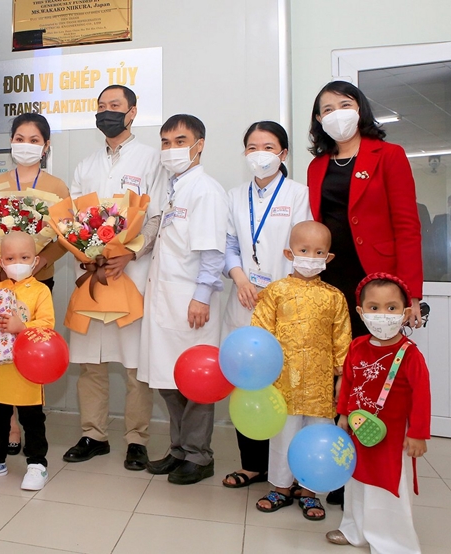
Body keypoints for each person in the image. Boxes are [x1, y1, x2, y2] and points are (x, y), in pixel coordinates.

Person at [307, 80, 424, 507]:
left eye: (345, 104)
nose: (336, 113)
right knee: (338, 373)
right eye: (327, 109)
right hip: (331, 284)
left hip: (377, 286)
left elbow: (407, 226)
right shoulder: (317, 166)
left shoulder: (387, 155)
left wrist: (410, 294)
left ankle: (372, 467)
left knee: (373, 378)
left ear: (360, 109)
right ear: (318, 119)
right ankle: (337, 467)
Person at [63, 84, 165, 471]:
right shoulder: (85, 165)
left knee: (134, 365)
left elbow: (156, 217)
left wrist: (131, 252)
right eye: (101, 106)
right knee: (91, 363)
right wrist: (88, 253)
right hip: (92, 276)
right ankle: (94, 434)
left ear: (132, 112)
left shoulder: (151, 159)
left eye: (115, 105)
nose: (107, 112)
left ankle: (136, 439)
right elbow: (71, 221)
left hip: (131, 275)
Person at [220, 121, 312, 488]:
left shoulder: (298, 194)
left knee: (283, 385)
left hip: (285, 303)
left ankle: (287, 471)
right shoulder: (234, 195)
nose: (260, 154)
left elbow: (304, 247)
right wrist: (240, 278)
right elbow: (229, 245)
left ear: (283, 154)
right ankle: (253, 464)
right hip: (243, 299)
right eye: (253, 147)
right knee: (246, 381)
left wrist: (278, 291)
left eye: (269, 147)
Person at [139, 114, 228, 485]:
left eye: (180, 141)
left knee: (195, 382)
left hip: (191, 302)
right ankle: (178, 450)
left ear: (199, 145)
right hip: (165, 299)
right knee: (168, 378)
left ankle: (198, 455)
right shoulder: (173, 188)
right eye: (165, 142)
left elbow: (213, 251)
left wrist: (202, 297)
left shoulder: (206, 190)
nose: (171, 149)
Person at [251, 221, 351, 521]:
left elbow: (342, 340)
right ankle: (280, 488)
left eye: (319, 252)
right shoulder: (275, 292)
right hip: (284, 381)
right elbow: (261, 333)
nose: (311, 257)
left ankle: (310, 491)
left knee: (318, 436)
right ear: (289, 253)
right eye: (304, 250)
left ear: (328, 258)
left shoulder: (334, 297)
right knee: (284, 436)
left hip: (321, 384)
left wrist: (342, 377)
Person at [327, 273, 430, 552]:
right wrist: (343, 414)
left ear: (405, 313)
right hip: (359, 432)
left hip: (394, 438)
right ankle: (355, 530)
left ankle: (393, 543)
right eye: (374, 307)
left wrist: (418, 434)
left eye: (391, 308)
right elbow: (348, 384)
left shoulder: (410, 354)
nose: (382, 314)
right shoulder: (357, 346)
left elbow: (422, 396)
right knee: (357, 482)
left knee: (387, 486)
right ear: (361, 312)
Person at [0, 112, 70, 454]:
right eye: (20, 138)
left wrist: (42, 260)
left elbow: (65, 236)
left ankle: (30, 416)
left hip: (38, 283)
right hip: (1, 283)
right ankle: (9, 426)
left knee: (31, 348)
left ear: (45, 146)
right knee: (2, 353)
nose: (26, 145)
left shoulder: (56, 187)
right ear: (11, 142)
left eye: (34, 140)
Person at [0, 232, 53, 490]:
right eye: (11, 258)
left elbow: (47, 324)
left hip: (28, 368)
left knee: (31, 417)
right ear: (0, 262)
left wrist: (22, 326)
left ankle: (37, 464)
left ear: (35, 260)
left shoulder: (40, 291)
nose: (18, 263)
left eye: (24, 257)